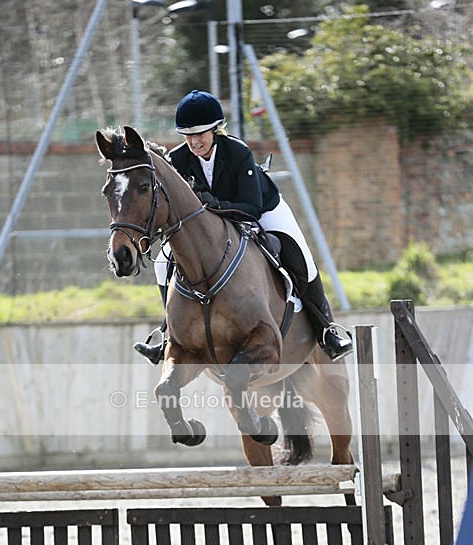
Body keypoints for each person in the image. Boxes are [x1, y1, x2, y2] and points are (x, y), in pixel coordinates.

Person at [134, 89, 352, 364]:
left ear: (216, 129)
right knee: (162, 263)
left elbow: (252, 208)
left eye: (200, 133)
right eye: (188, 135)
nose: (194, 141)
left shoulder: (237, 152)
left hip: (262, 208)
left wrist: (214, 206)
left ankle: (326, 331)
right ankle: (167, 334)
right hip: (212, 225)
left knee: (300, 255)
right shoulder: (178, 160)